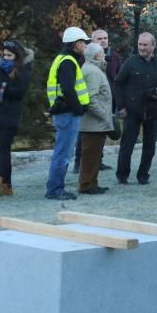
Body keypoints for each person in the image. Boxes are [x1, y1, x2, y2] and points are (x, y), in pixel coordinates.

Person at [45, 26, 92, 200]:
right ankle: (55, 189)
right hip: (67, 114)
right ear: (77, 43)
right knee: (63, 154)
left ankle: (55, 187)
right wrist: (78, 108)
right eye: (84, 43)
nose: (85, 46)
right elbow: (68, 89)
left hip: (63, 112)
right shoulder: (68, 62)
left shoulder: (62, 59)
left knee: (62, 152)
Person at [0, 41, 33, 197]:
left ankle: (0, 180)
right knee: (0, 150)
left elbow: (19, 92)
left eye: (9, 55)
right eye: (4, 54)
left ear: (17, 56)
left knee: (4, 148)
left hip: (9, 115)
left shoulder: (23, 71)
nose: (5, 58)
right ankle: (7, 186)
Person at [114, 31, 157, 185]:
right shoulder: (130, 62)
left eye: (145, 45)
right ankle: (122, 175)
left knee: (150, 146)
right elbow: (118, 83)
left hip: (153, 111)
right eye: (140, 44)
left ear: (153, 46)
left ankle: (143, 175)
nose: (141, 47)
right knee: (127, 145)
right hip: (132, 111)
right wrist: (121, 106)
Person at [74, 29, 121, 172]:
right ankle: (79, 163)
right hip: (91, 102)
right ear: (92, 41)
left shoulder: (114, 56)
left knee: (101, 133)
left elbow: (118, 77)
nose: (103, 40)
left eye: (105, 38)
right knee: (85, 134)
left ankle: (98, 160)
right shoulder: (85, 59)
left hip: (108, 100)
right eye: (99, 38)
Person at [78, 43, 112, 195]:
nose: (105, 55)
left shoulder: (92, 69)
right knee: (91, 155)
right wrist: (105, 115)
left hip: (95, 123)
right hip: (94, 123)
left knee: (94, 155)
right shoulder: (92, 71)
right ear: (97, 56)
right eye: (102, 53)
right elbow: (91, 98)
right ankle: (86, 185)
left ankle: (92, 182)